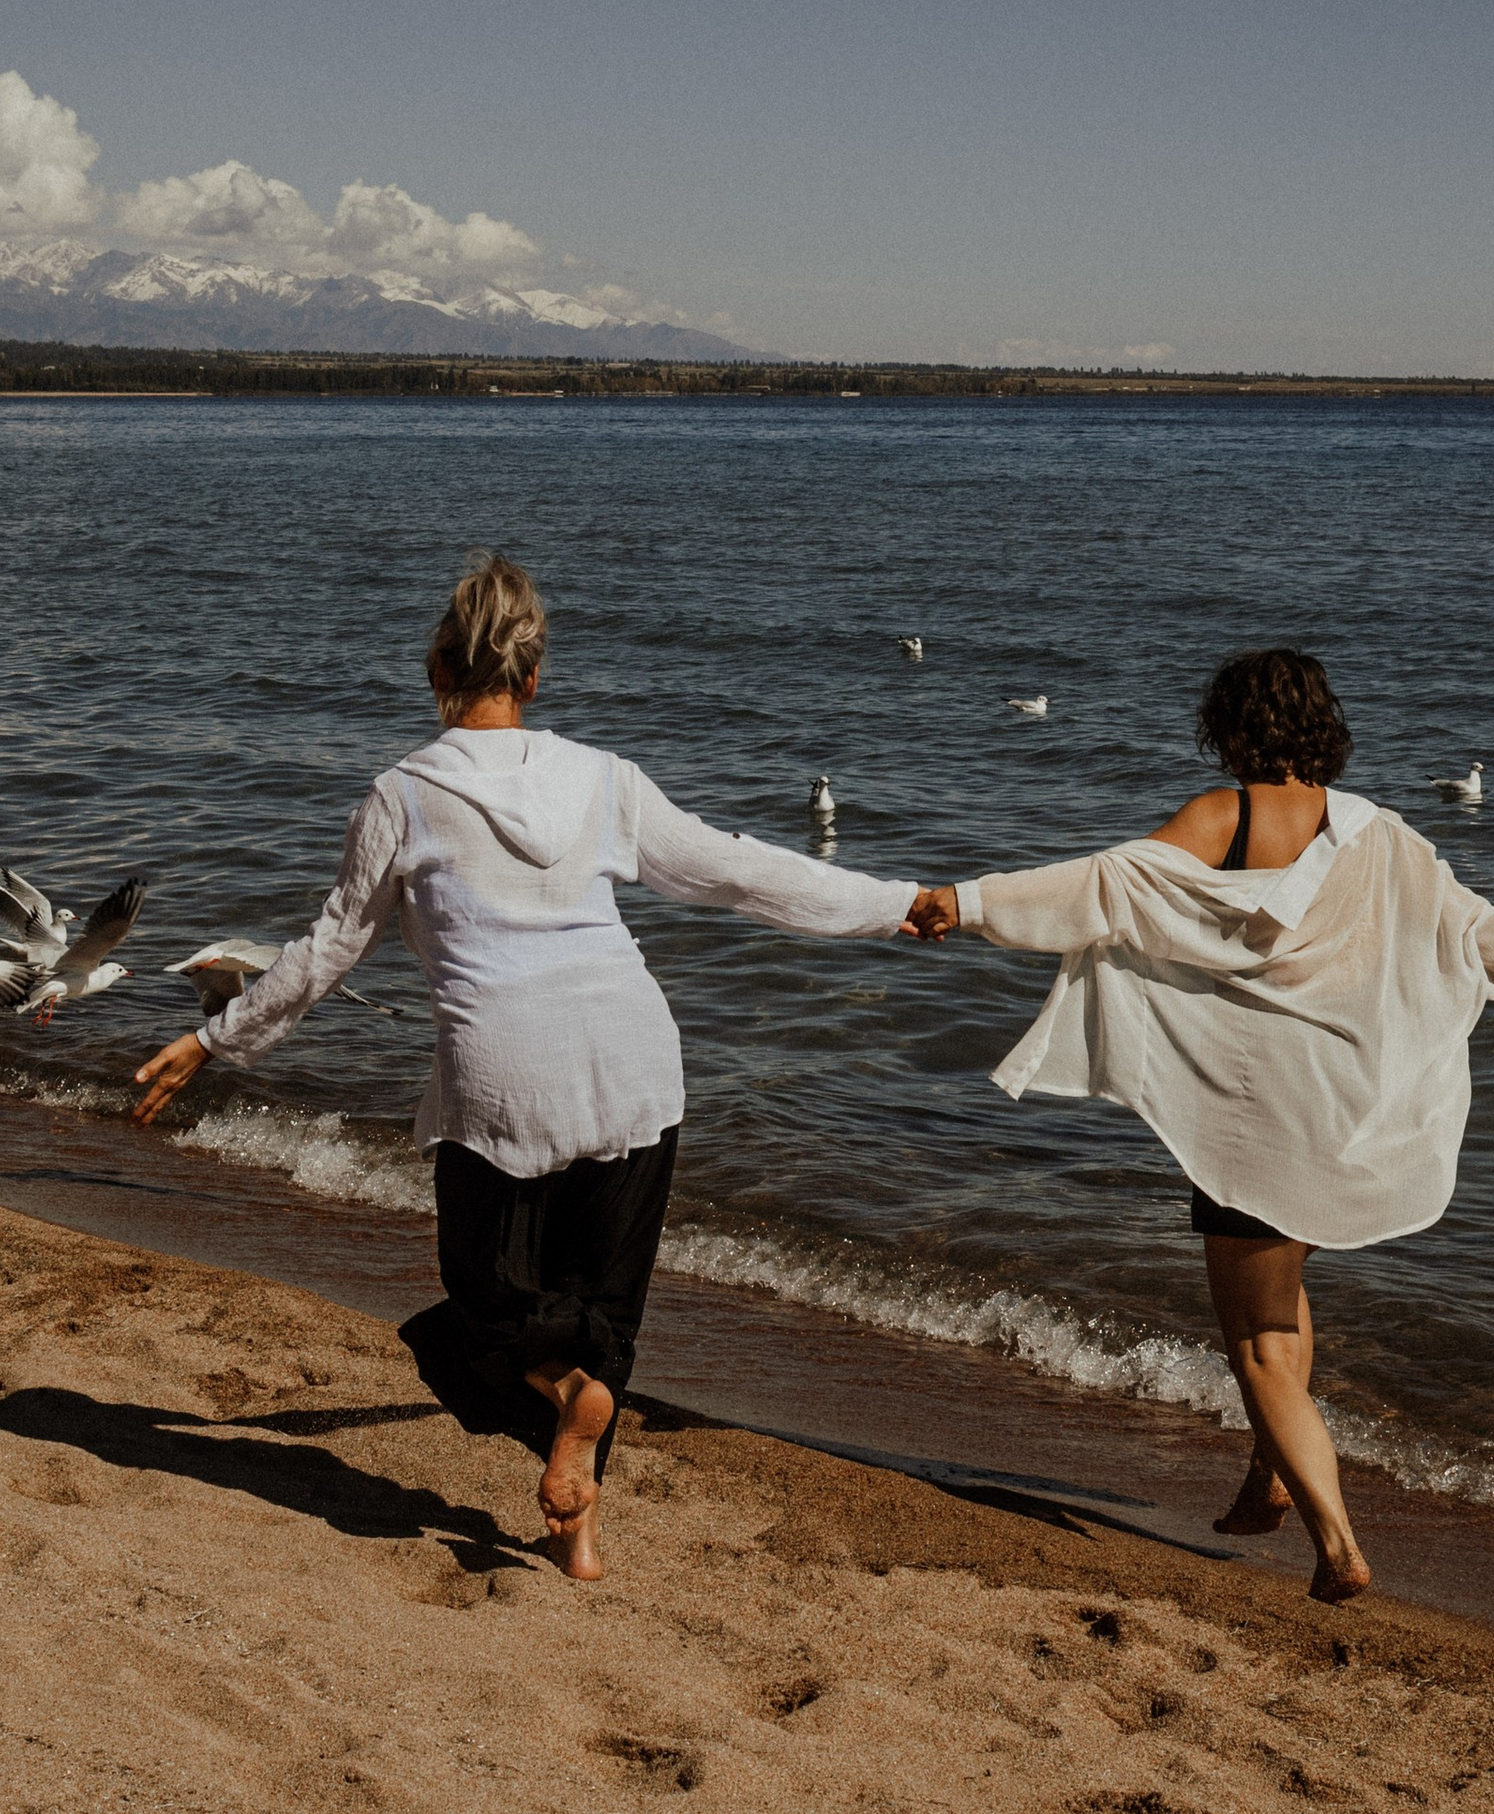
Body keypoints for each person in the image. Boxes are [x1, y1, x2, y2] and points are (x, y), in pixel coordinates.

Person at [134, 553, 945, 1580]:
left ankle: (569, 1417)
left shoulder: (402, 796)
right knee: (602, 1313)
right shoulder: (604, 780)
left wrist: (213, 1039)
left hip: (505, 1073)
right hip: (635, 1061)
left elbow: (330, 950)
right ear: (532, 676)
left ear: (437, 667)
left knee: (488, 1308)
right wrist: (893, 901)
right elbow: (739, 871)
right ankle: (577, 1529)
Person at [903, 647, 1494, 1603]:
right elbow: (1478, 931)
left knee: (1257, 1340)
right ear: (1321, 722)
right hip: (1346, 1113)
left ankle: (1338, 1544)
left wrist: (966, 903)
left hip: (1257, 1123)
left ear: (1231, 726)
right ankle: (1268, 1475)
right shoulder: (1382, 833)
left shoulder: (1227, 816)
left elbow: (1105, 889)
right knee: (1284, 1299)